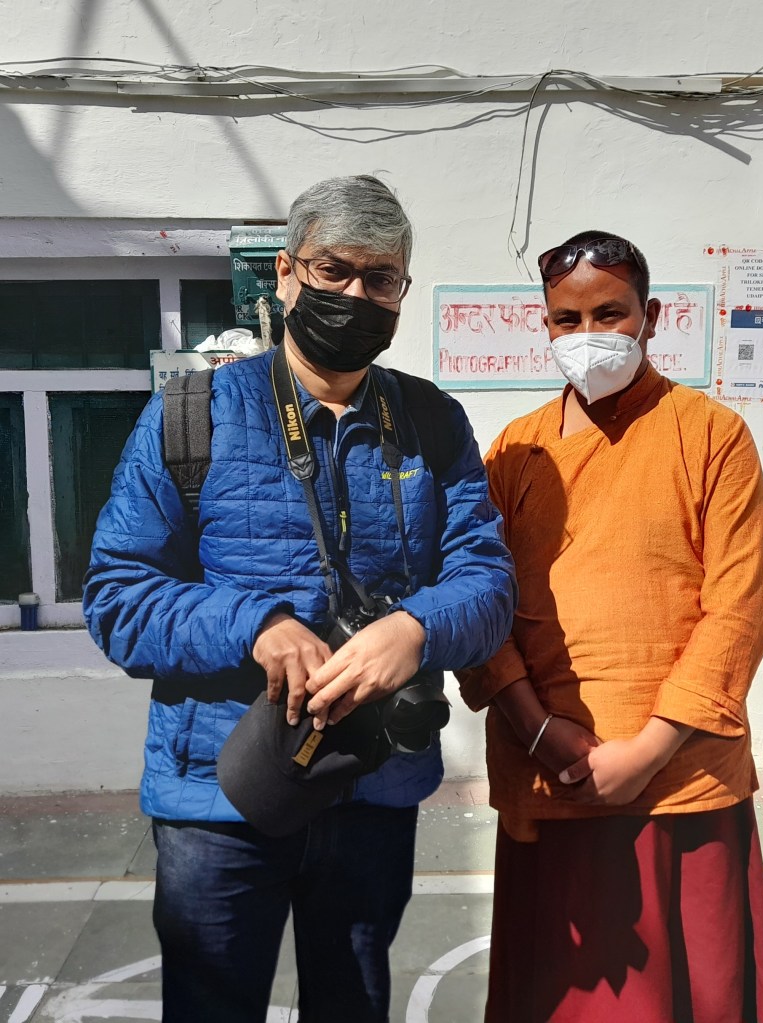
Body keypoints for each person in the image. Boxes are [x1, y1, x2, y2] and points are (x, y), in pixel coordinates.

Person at [83, 174, 516, 1023]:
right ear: (285, 273)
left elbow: (489, 582)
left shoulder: (431, 422)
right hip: (220, 793)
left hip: (373, 784)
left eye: (380, 278)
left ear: (401, 291)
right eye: (333, 269)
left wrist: (416, 627)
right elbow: (118, 596)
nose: (354, 295)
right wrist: (254, 624)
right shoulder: (193, 415)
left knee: (353, 1004)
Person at [458, 230, 763, 1023]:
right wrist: (537, 729)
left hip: (680, 780)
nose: (588, 335)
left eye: (610, 313)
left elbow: (740, 608)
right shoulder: (516, 451)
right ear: (546, 323)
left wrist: (648, 750)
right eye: (568, 319)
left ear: (651, 317)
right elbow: (477, 604)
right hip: (552, 775)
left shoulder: (711, 435)